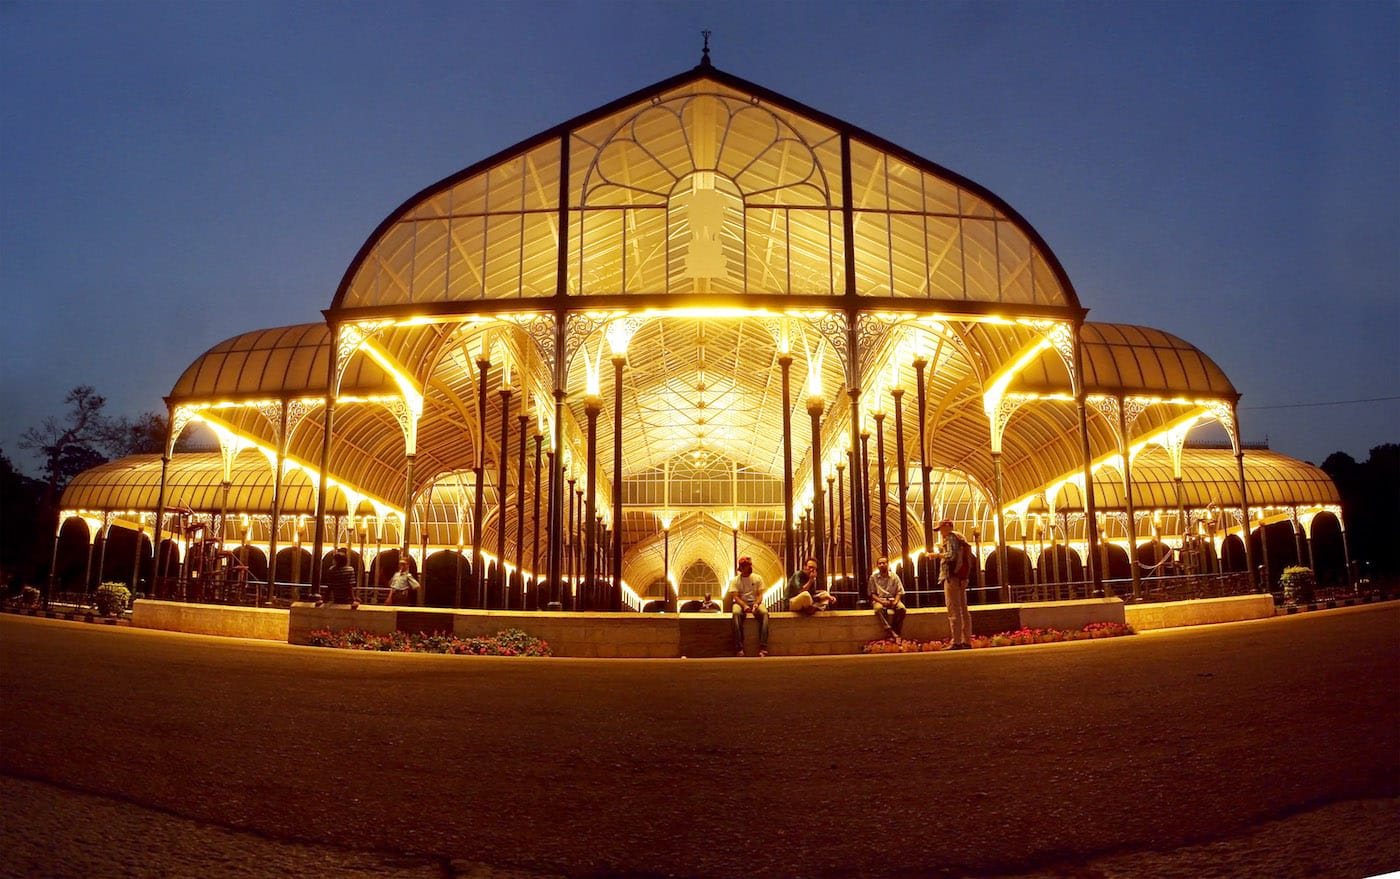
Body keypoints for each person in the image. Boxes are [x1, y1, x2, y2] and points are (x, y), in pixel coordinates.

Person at [937, 520, 972, 649]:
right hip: (961, 577)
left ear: (948, 527)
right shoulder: (961, 538)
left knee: (953, 609)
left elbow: (951, 556)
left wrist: (937, 555)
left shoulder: (951, 538)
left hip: (952, 577)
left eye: (941, 529)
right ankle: (967, 641)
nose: (940, 532)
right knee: (963, 609)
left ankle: (956, 641)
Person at [725, 556, 769, 657]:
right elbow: (736, 597)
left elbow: (760, 594)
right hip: (740, 603)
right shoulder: (735, 581)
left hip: (755, 601)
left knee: (764, 613)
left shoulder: (757, 578)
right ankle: (739, 647)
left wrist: (756, 604)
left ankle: (763, 647)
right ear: (741, 568)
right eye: (747, 566)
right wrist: (744, 606)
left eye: (750, 565)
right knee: (736, 613)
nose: (750, 567)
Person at [869, 555, 906, 640]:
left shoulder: (894, 576)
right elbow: (872, 594)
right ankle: (890, 631)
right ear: (877, 566)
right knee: (878, 609)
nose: (882, 565)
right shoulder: (873, 578)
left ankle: (895, 631)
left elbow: (899, 591)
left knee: (902, 609)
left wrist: (896, 601)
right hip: (880, 600)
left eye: (883, 563)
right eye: (879, 563)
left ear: (887, 564)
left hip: (892, 599)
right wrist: (882, 602)